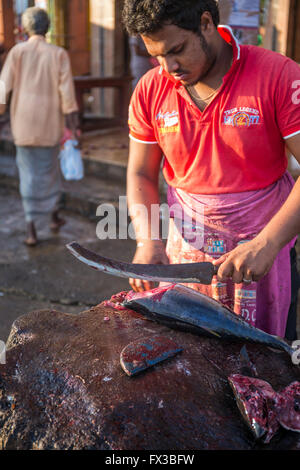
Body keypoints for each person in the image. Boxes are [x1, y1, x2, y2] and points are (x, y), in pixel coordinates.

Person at [122, 0, 300, 340]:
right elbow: (141, 173)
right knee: (191, 363)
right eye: (156, 56)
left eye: (176, 50)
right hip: (185, 259)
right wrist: (149, 241)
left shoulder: (278, 75)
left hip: (264, 252)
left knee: (268, 367)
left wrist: (267, 243)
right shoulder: (151, 89)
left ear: (206, 23)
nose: (168, 66)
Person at [0, 7, 80, 246]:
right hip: (49, 125)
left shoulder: (17, 52)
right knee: (50, 173)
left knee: (28, 175)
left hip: (23, 125)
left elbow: (3, 87)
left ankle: (31, 229)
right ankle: (54, 217)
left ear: (25, 28)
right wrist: (73, 126)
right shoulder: (58, 54)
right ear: (48, 28)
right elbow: (67, 94)